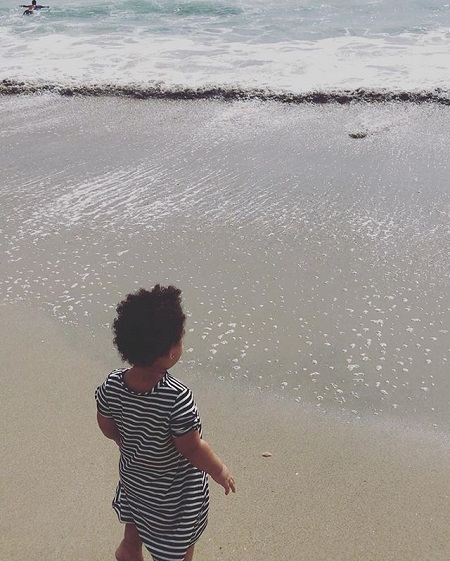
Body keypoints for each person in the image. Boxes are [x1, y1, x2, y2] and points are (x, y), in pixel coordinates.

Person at [95, 285, 236, 561]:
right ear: (171, 351)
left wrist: (123, 441)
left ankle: (129, 551)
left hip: (135, 480)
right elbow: (191, 448)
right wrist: (219, 471)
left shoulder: (112, 384)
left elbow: (106, 424)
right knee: (179, 545)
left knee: (134, 527)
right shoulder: (176, 398)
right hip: (173, 495)